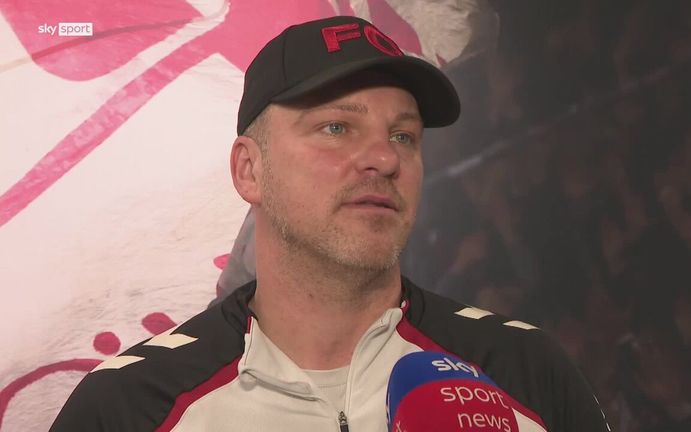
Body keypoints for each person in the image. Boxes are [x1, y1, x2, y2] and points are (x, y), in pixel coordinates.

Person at [51, 16, 609, 431]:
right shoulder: (130, 404)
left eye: (403, 136)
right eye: (337, 128)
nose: (384, 158)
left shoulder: (523, 368)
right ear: (250, 170)